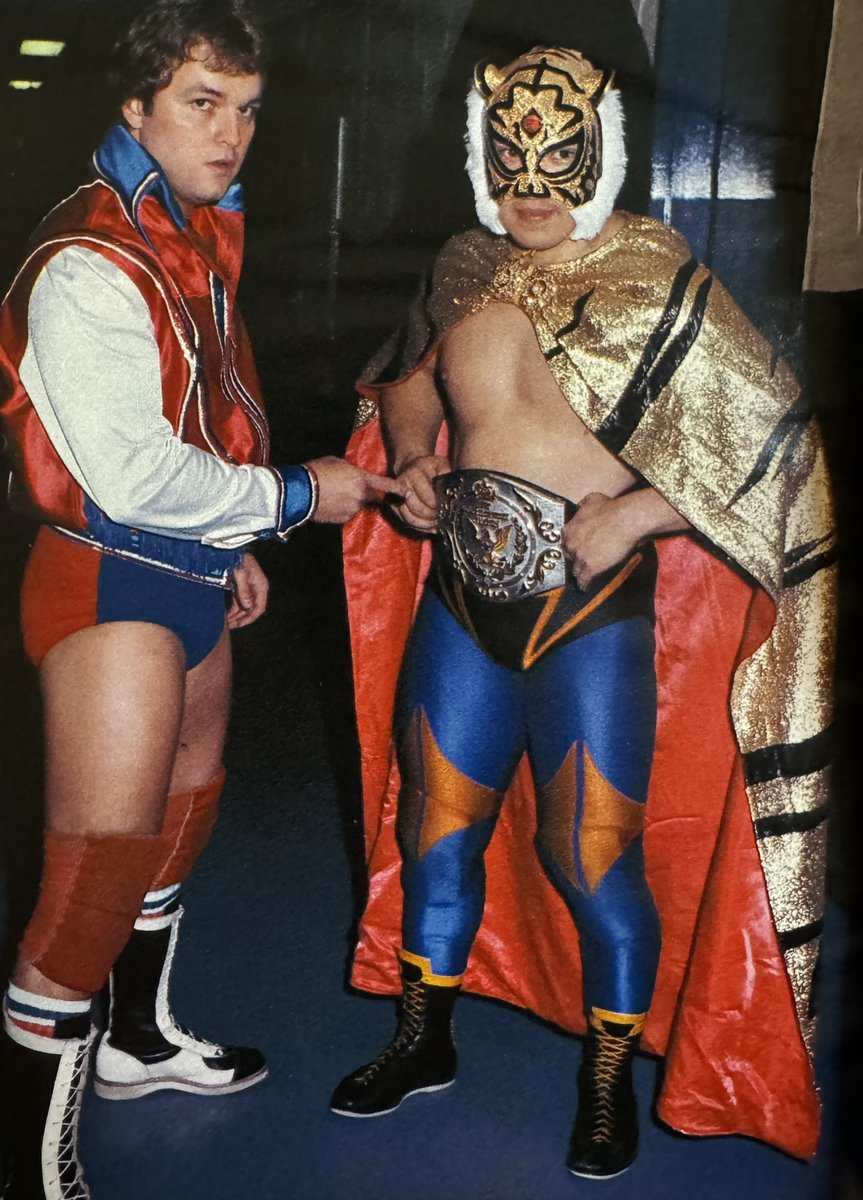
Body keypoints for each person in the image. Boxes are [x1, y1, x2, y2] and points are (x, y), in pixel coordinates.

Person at [332, 46, 836, 1179]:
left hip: (587, 615)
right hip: (463, 606)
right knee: (434, 833)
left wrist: (642, 514)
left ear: (600, 154)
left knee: (589, 859)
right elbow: (405, 371)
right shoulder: (461, 264)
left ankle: (604, 1083)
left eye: (559, 156)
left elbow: (778, 450)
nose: (532, 179)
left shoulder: (654, 274)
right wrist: (413, 453)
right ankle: (424, 1039)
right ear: (480, 152)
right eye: (510, 153)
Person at [0, 3, 398, 1196]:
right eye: (200, 104)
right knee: (91, 882)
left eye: (248, 109)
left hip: (190, 569)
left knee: (189, 806)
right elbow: (126, 473)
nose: (231, 135)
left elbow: (201, 409)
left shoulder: (189, 227)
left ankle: (133, 1044)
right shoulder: (91, 259)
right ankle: (27, 1169)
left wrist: (233, 538)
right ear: (134, 109)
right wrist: (289, 496)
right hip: (111, 573)